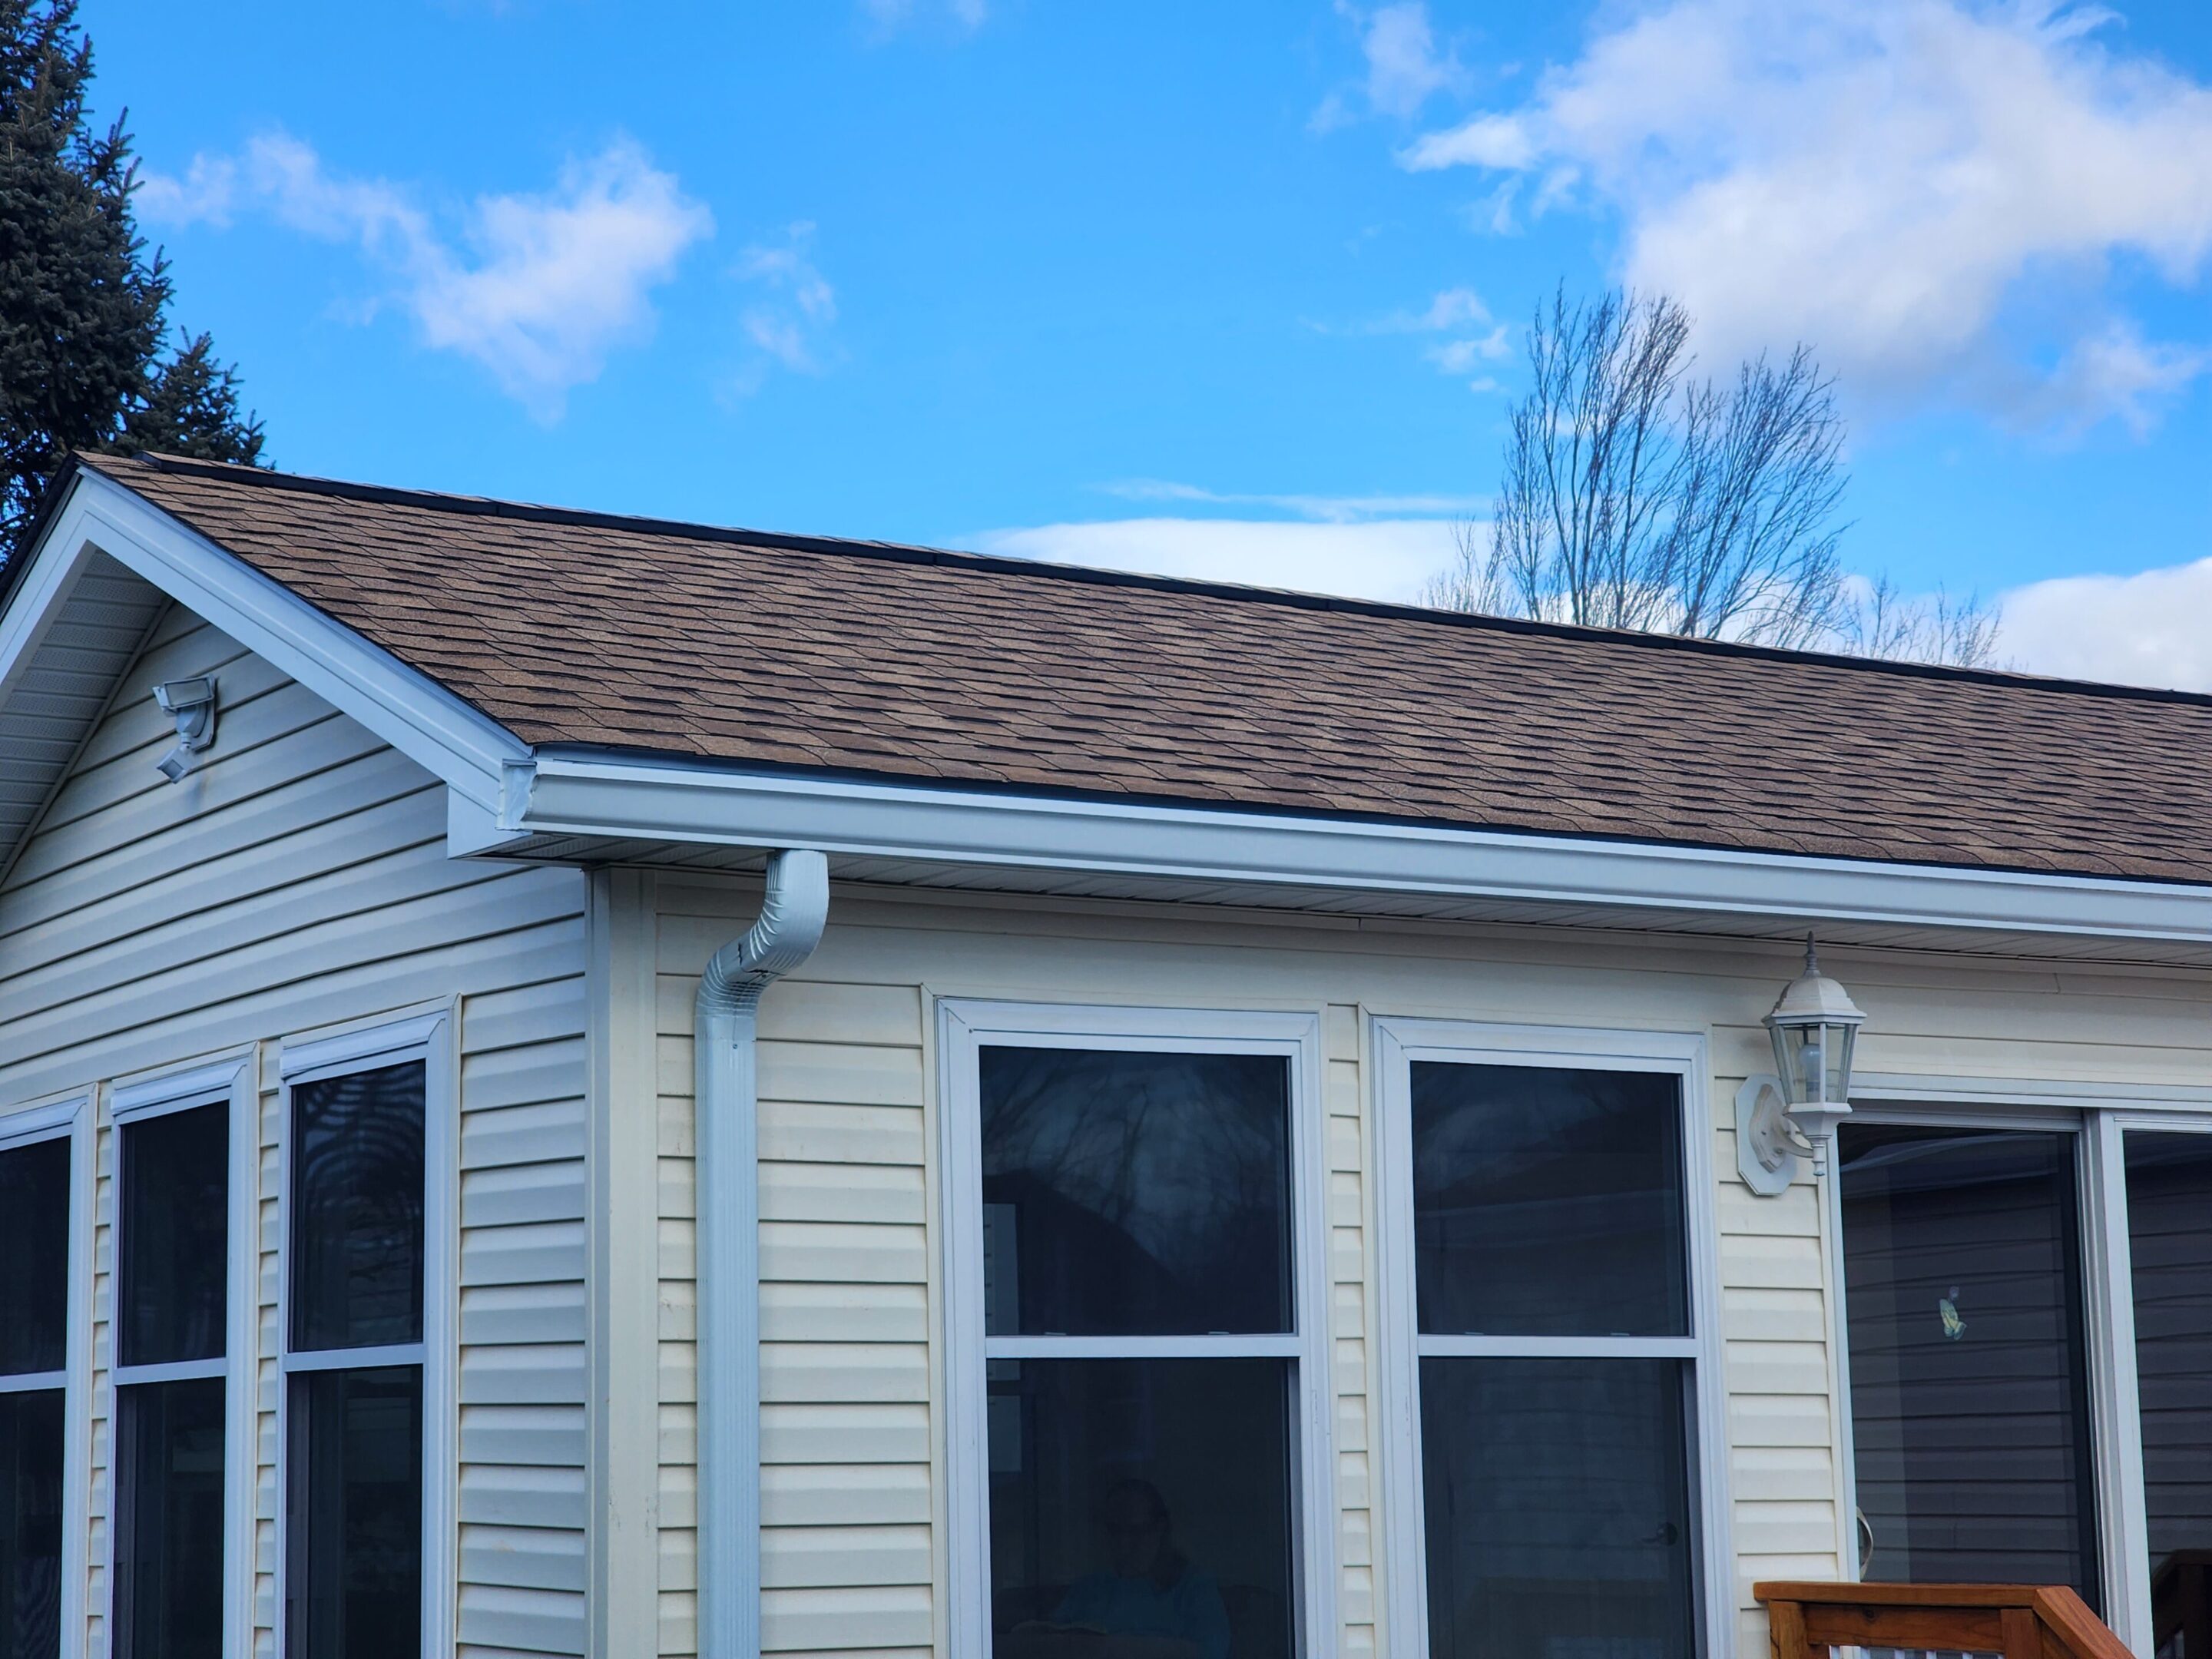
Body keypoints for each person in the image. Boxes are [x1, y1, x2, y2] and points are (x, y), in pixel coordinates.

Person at [1023, 1479, 1232, 1659]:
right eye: (1115, 1531)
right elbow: (1049, 1645)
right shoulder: (1089, 1588)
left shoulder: (1195, 1589)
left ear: (1160, 1528)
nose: (1123, 1545)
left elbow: (1210, 1653)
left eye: (1134, 1531)